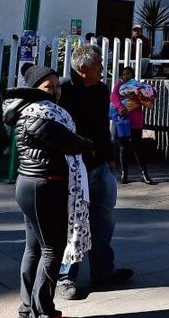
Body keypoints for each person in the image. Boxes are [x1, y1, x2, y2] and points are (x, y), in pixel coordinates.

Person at [3, 65, 93, 318]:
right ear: (34, 90)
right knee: (52, 250)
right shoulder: (40, 113)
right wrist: (89, 145)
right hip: (44, 185)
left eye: (57, 86)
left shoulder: (28, 110)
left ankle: (27, 309)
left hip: (32, 184)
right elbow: (68, 141)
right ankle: (42, 312)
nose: (55, 91)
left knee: (34, 249)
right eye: (48, 87)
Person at [57, 45, 134, 300]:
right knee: (74, 223)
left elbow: (102, 125)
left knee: (104, 220)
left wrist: (109, 157)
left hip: (100, 165)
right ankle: (66, 276)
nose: (103, 67)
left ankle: (103, 270)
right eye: (99, 64)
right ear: (83, 69)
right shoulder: (63, 90)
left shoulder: (101, 90)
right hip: (74, 166)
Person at [110, 66, 156, 185]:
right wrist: (120, 108)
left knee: (138, 147)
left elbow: (147, 99)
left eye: (128, 74)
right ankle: (124, 174)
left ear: (133, 75)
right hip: (122, 121)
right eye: (124, 74)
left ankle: (144, 174)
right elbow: (113, 97)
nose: (125, 76)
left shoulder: (138, 86)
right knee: (123, 147)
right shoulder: (119, 85)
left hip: (136, 120)